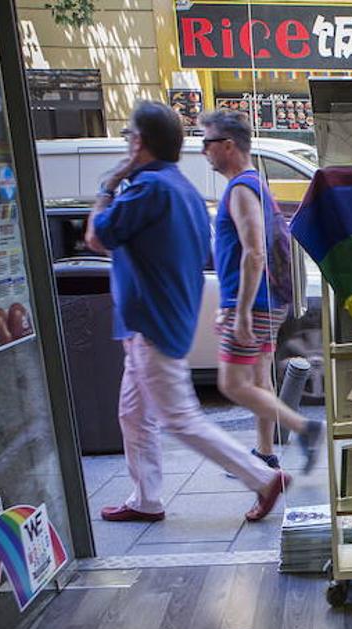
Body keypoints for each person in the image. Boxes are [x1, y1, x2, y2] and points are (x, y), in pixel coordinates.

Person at [86, 101, 289, 523]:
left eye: (129, 138)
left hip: (151, 323)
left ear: (139, 142)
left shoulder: (148, 189)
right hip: (163, 318)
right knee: (133, 412)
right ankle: (146, 498)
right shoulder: (185, 191)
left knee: (179, 417)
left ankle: (263, 477)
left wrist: (110, 184)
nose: (205, 151)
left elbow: (95, 235)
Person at [198, 109, 324, 474]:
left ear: (227, 146)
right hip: (267, 301)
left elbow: (254, 252)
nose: (204, 151)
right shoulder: (254, 183)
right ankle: (266, 452)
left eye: (207, 143)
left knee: (232, 383)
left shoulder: (240, 189)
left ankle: (305, 428)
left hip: (253, 304)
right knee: (257, 380)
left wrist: (239, 312)